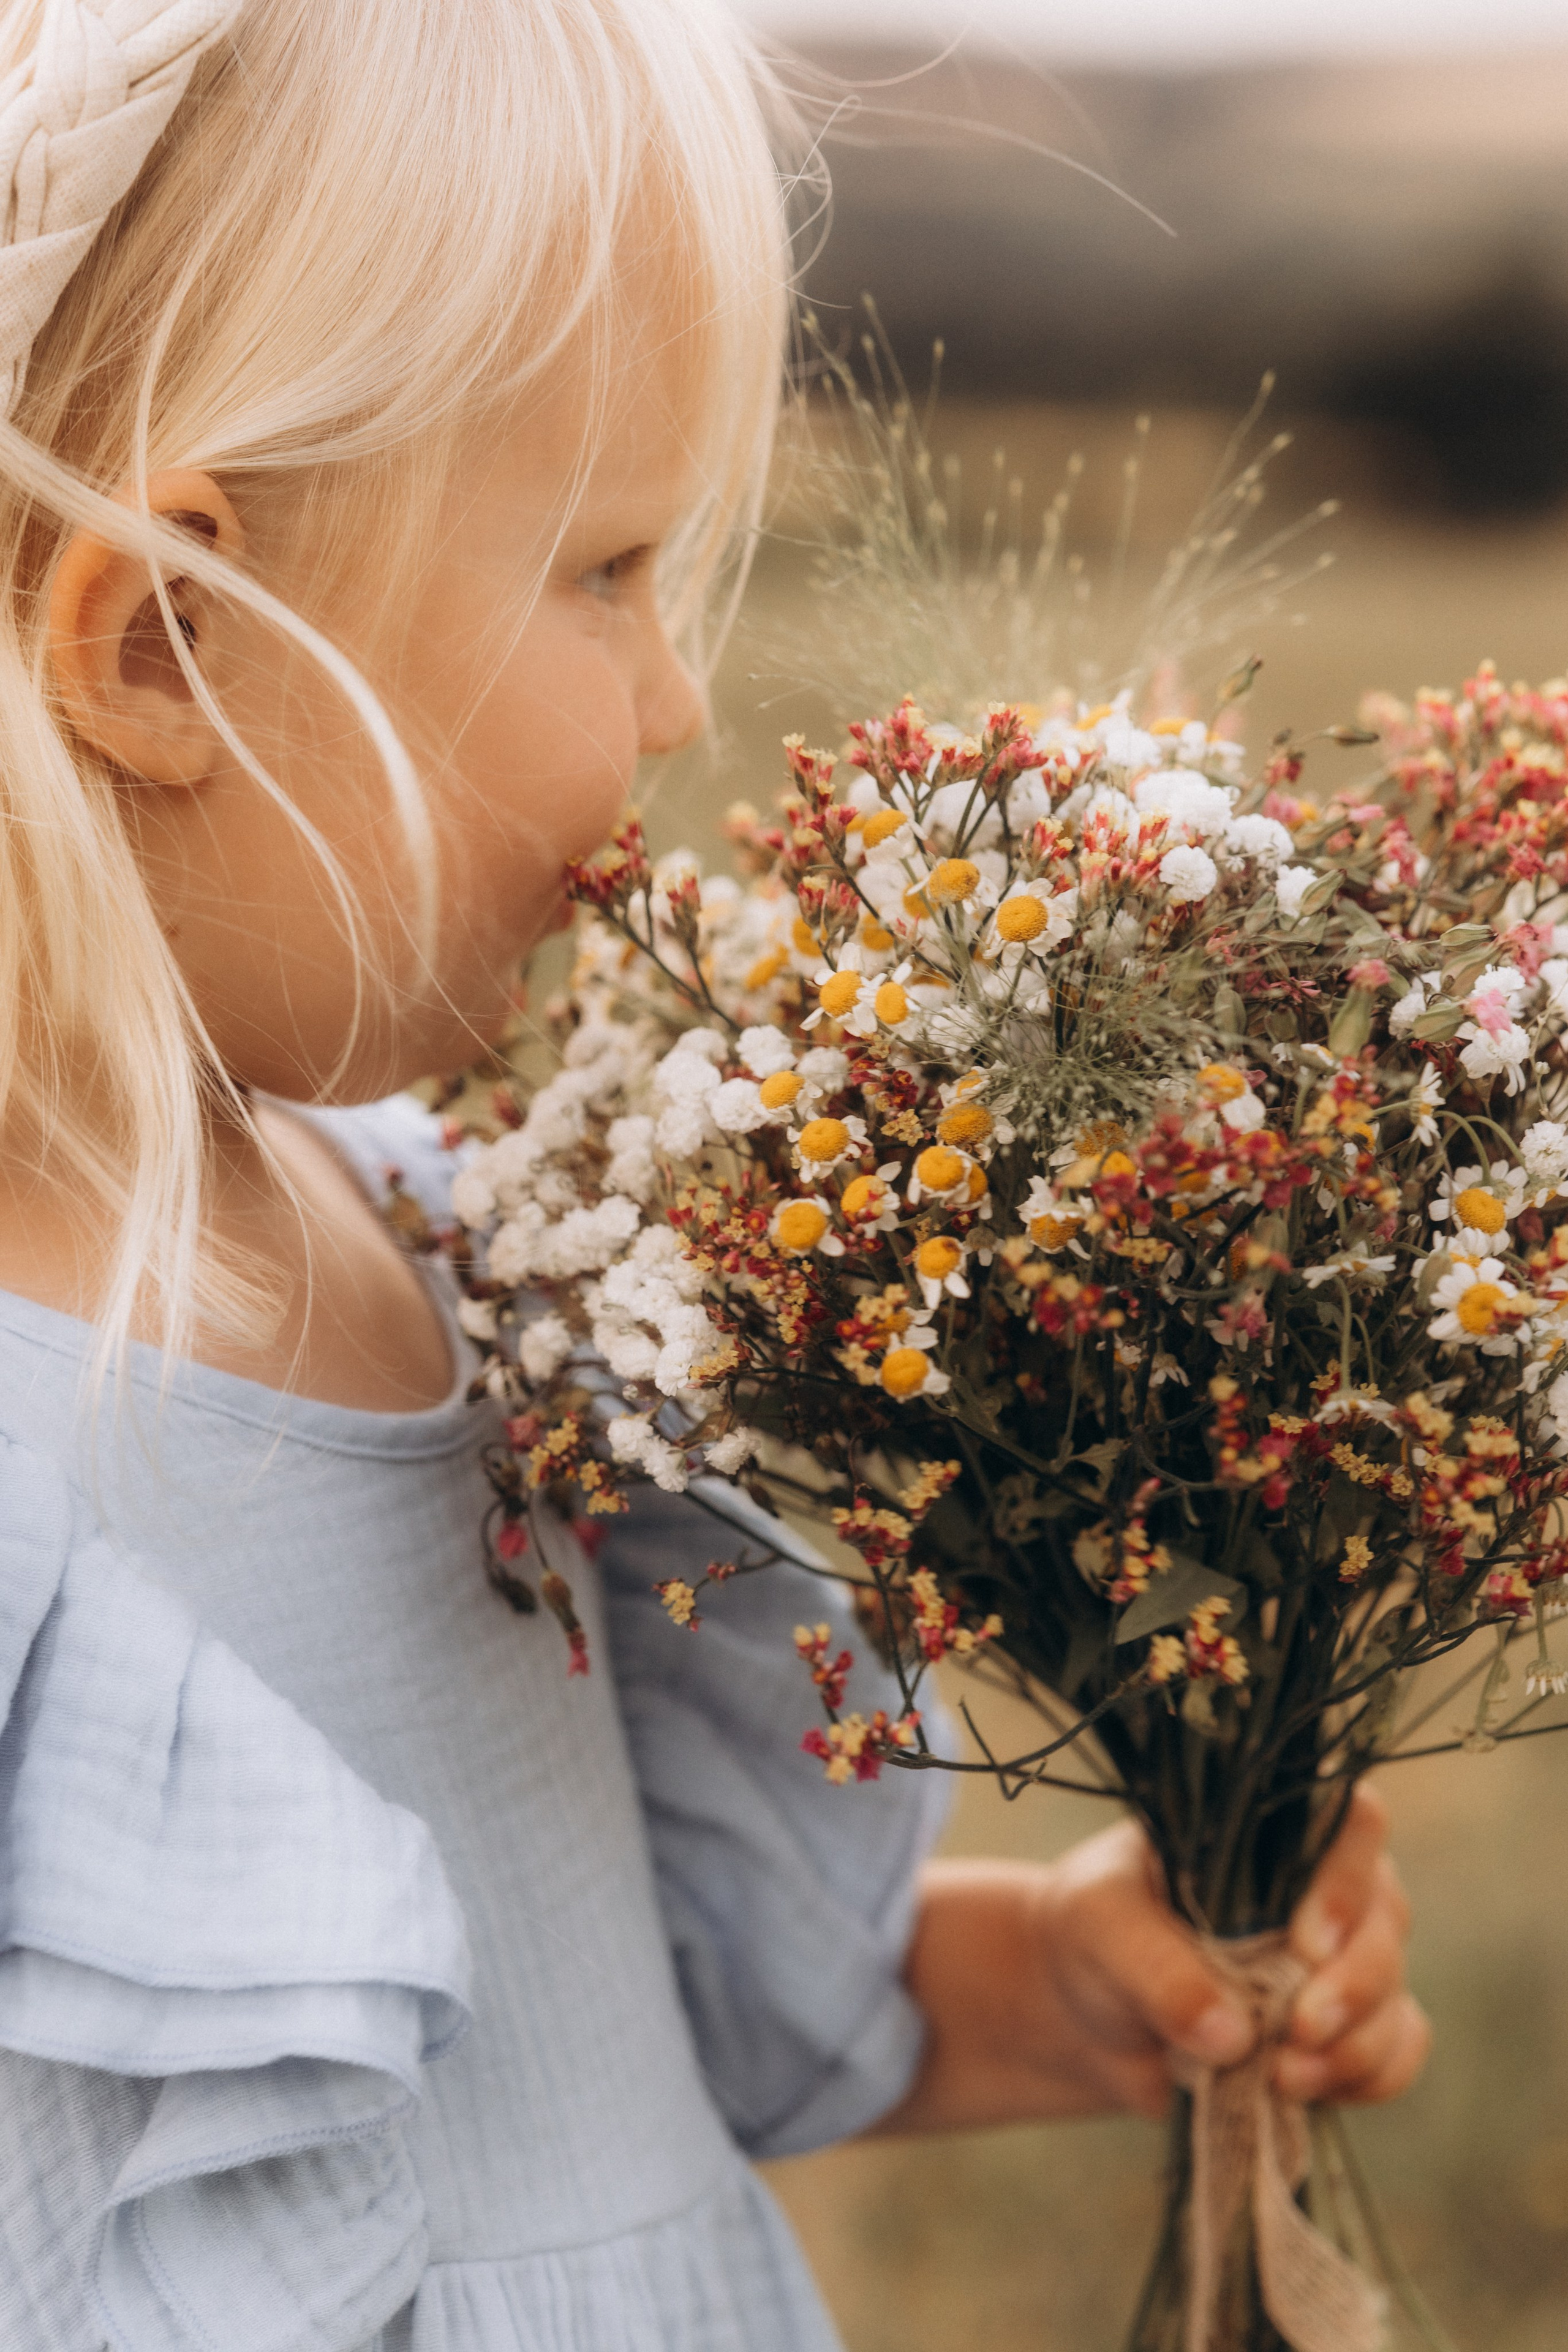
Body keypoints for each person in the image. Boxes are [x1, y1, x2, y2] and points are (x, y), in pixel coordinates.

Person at [0, 2, 1427, 2347]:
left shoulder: (473, 1268)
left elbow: (589, 2018)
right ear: (170, 639)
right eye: (610, 567)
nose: (677, 700)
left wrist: (1063, 1985)